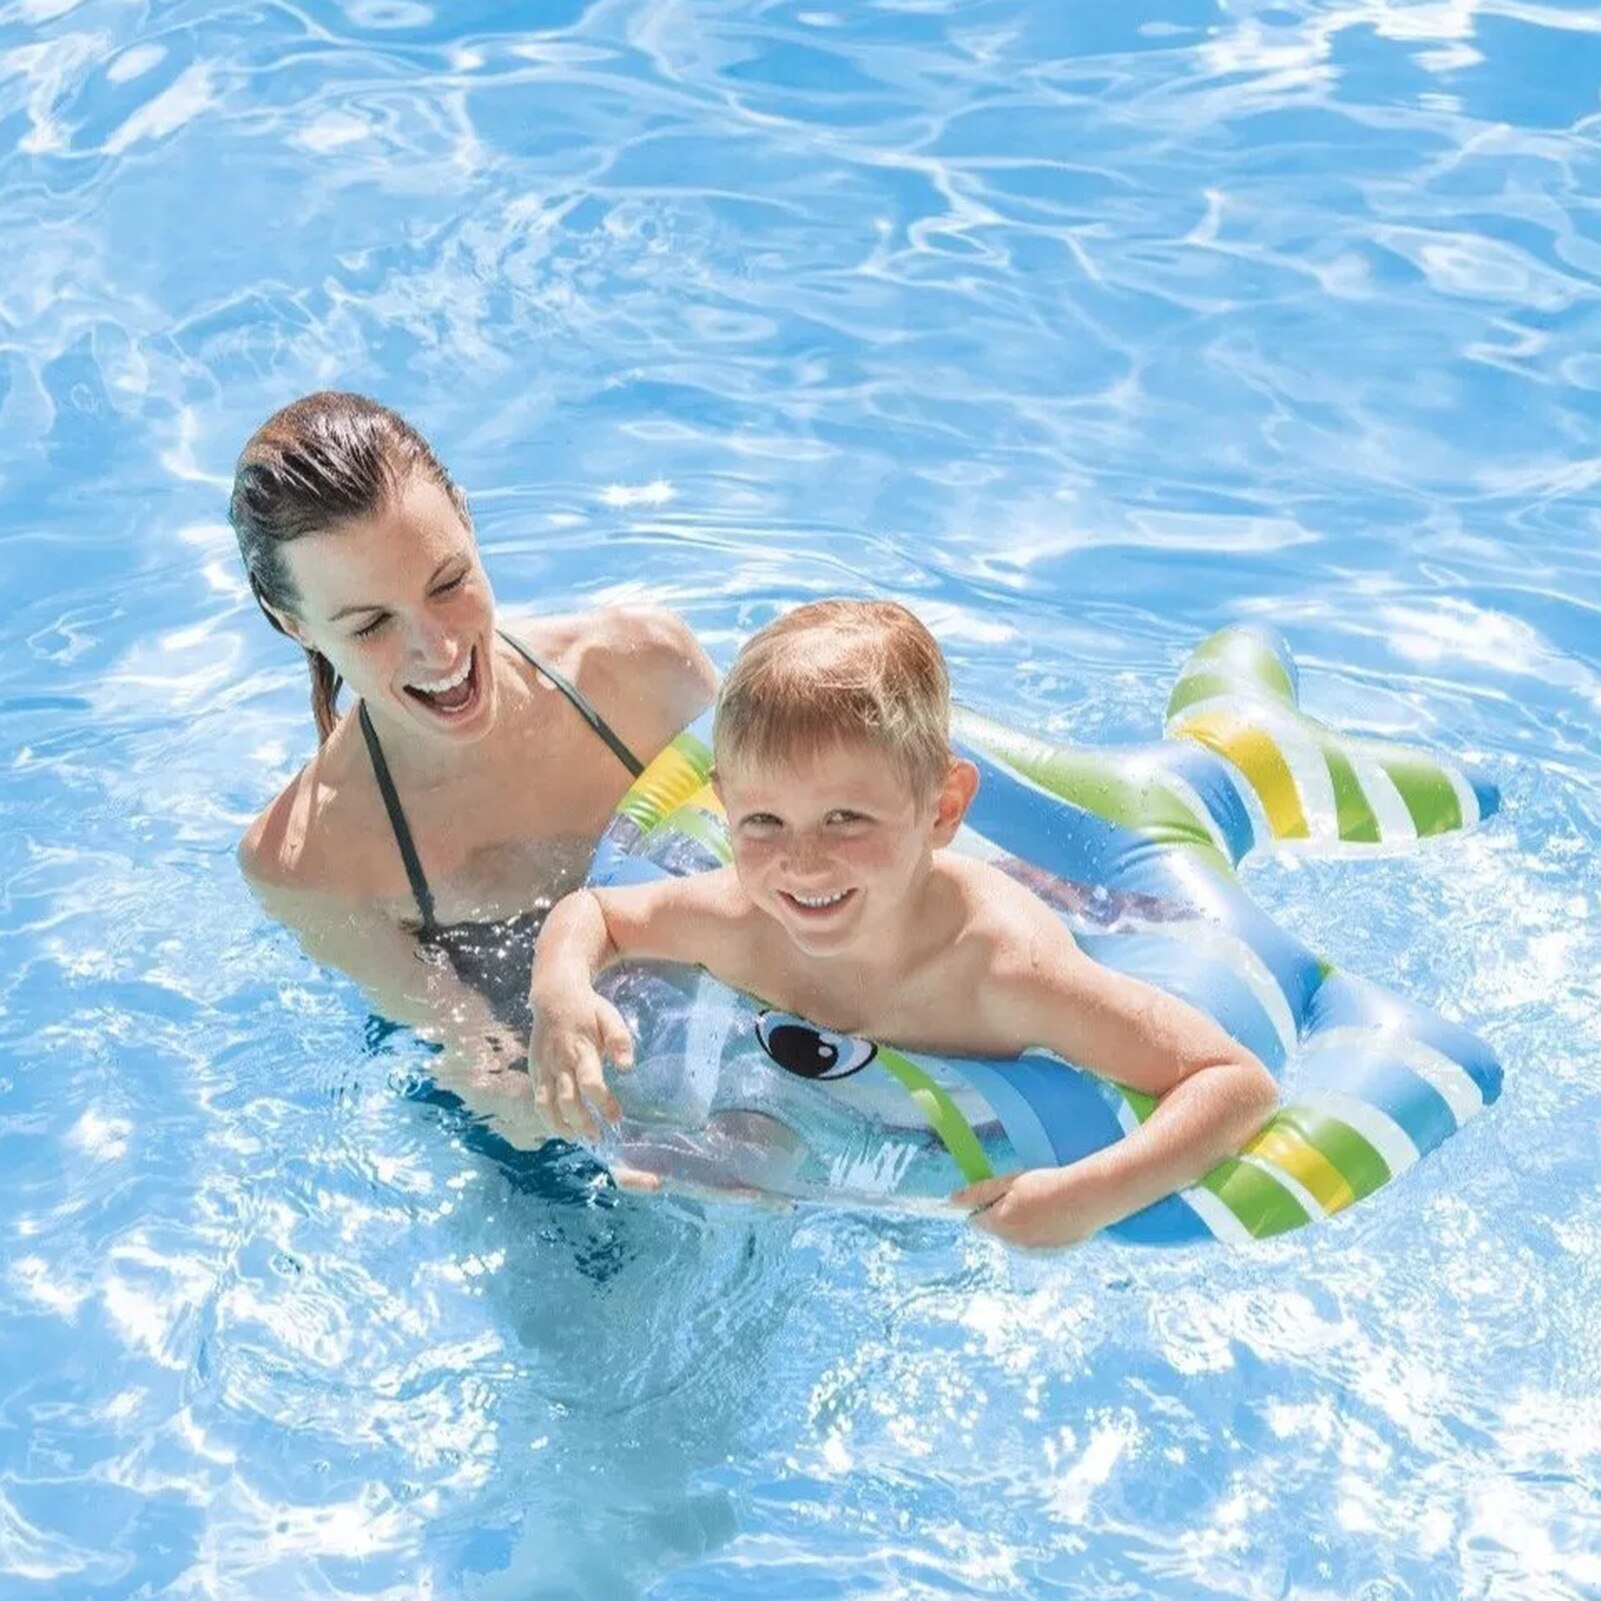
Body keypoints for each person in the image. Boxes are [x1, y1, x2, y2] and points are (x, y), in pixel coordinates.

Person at [530, 600, 1280, 1248]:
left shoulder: (1000, 974)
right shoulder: (740, 917)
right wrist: (559, 994)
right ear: (723, 803)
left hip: (1064, 919)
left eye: (844, 819)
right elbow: (595, 912)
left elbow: (1230, 1080)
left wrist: (1083, 1197)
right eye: (763, 820)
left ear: (944, 810)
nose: (801, 862)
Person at [231, 391, 716, 1137]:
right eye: (370, 624)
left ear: (465, 513)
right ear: (292, 622)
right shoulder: (310, 859)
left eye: (448, 581)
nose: (439, 648)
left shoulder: (642, 670)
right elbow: (488, 1073)